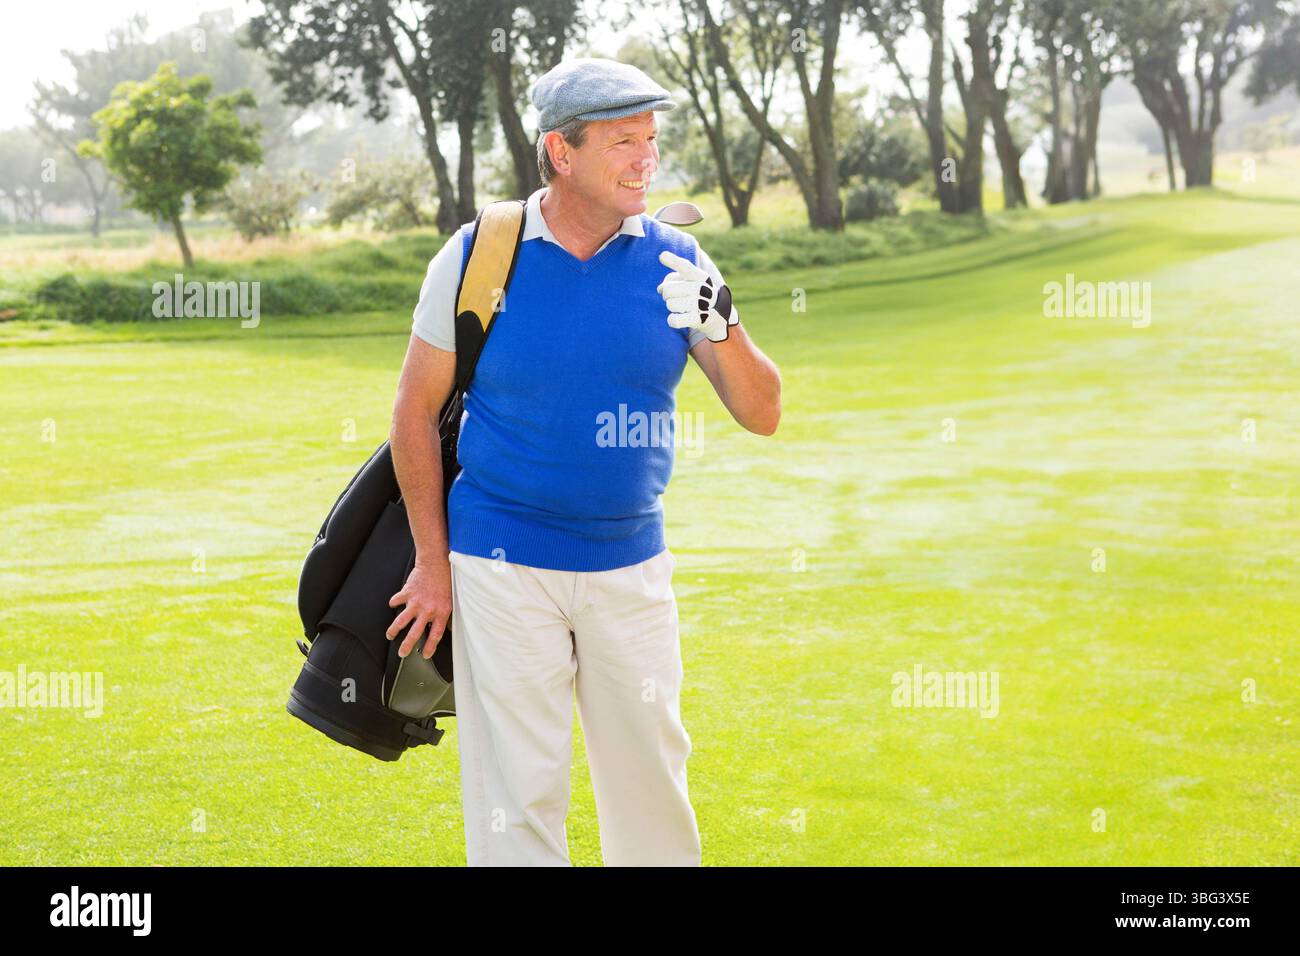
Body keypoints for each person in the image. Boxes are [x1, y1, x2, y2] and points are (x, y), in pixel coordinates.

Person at [386, 57, 781, 866]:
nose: (646, 160)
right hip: (498, 564)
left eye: (652, 141)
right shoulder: (476, 257)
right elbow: (413, 413)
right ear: (561, 154)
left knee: (650, 789)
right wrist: (432, 563)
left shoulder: (680, 264)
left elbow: (763, 412)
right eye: (623, 142)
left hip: (629, 568)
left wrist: (723, 323)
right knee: (516, 797)